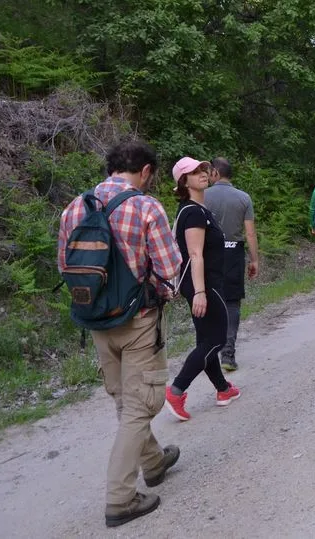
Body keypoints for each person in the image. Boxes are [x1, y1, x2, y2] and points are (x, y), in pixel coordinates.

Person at [57, 141, 181, 527]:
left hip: (95, 317)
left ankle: (154, 461)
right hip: (139, 318)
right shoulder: (146, 206)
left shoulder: (75, 207)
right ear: (145, 171)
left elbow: (65, 262)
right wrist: (166, 294)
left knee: (123, 398)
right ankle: (120, 498)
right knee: (141, 403)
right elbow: (169, 268)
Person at [165, 157, 241, 422]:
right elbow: (195, 255)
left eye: (203, 169)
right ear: (183, 181)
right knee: (217, 340)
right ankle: (176, 390)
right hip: (205, 284)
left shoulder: (197, 209)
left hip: (204, 283)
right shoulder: (194, 212)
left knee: (205, 340)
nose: (202, 174)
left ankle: (222, 389)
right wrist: (200, 293)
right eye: (193, 172)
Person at [203, 157, 260, 372]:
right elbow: (250, 233)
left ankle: (206, 352)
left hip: (208, 253)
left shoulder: (202, 196)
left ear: (216, 173)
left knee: (208, 299)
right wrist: (254, 260)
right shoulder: (243, 198)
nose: (207, 176)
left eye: (209, 172)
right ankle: (228, 353)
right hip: (233, 252)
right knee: (232, 302)